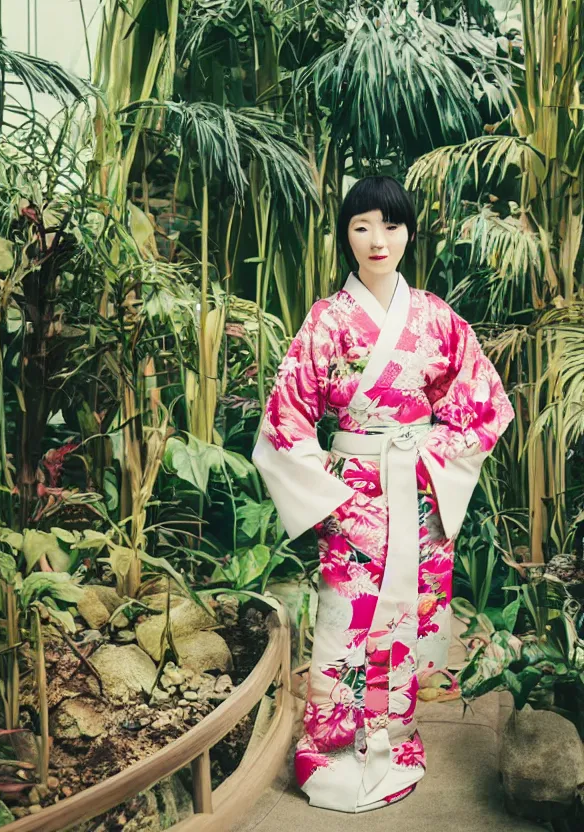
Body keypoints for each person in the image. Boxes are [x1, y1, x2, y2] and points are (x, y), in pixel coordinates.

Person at [251, 175, 514, 813]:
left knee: (402, 625)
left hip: (419, 493)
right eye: (362, 225)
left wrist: (432, 462)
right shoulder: (326, 319)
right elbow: (284, 420)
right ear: (346, 234)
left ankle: (394, 741)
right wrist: (332, 496)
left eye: (391, 225)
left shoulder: (436, 318)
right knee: (347, 622)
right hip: (354, 498)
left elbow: (482, 404)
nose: (377, 239)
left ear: (409, 233)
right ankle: (333, 750)